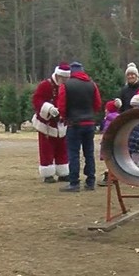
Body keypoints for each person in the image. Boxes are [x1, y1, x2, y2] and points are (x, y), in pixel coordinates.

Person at [55, 61, 102, 192]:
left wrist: (65, 117)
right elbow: (98, 104)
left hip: (74, 123)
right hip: (89, 123)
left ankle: (74, 182)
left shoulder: (66, 85)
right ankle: (90, 181)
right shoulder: (92, 85)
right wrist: (90, 114)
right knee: (89, 153)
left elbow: (61, 106)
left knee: (73, 154)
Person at [31, 63, 71, 183]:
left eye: (67, 78)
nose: (65, 80)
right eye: (63, 78)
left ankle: (63, 172)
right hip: (46, 124)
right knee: (46, 149)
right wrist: (48, 108)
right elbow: (37, 100)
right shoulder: (45, 85)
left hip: (61, 123)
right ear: (58, 75)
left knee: (62, 148)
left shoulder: (67, 87)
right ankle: (48, 173)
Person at [97, 100, 119, 187]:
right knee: (115, 160)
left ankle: (110, 177)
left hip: (109, 143)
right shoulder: (119, 118)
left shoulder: (108, 119)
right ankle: (113, 175)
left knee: (110, 160)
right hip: (117, 143)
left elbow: (106, 132)